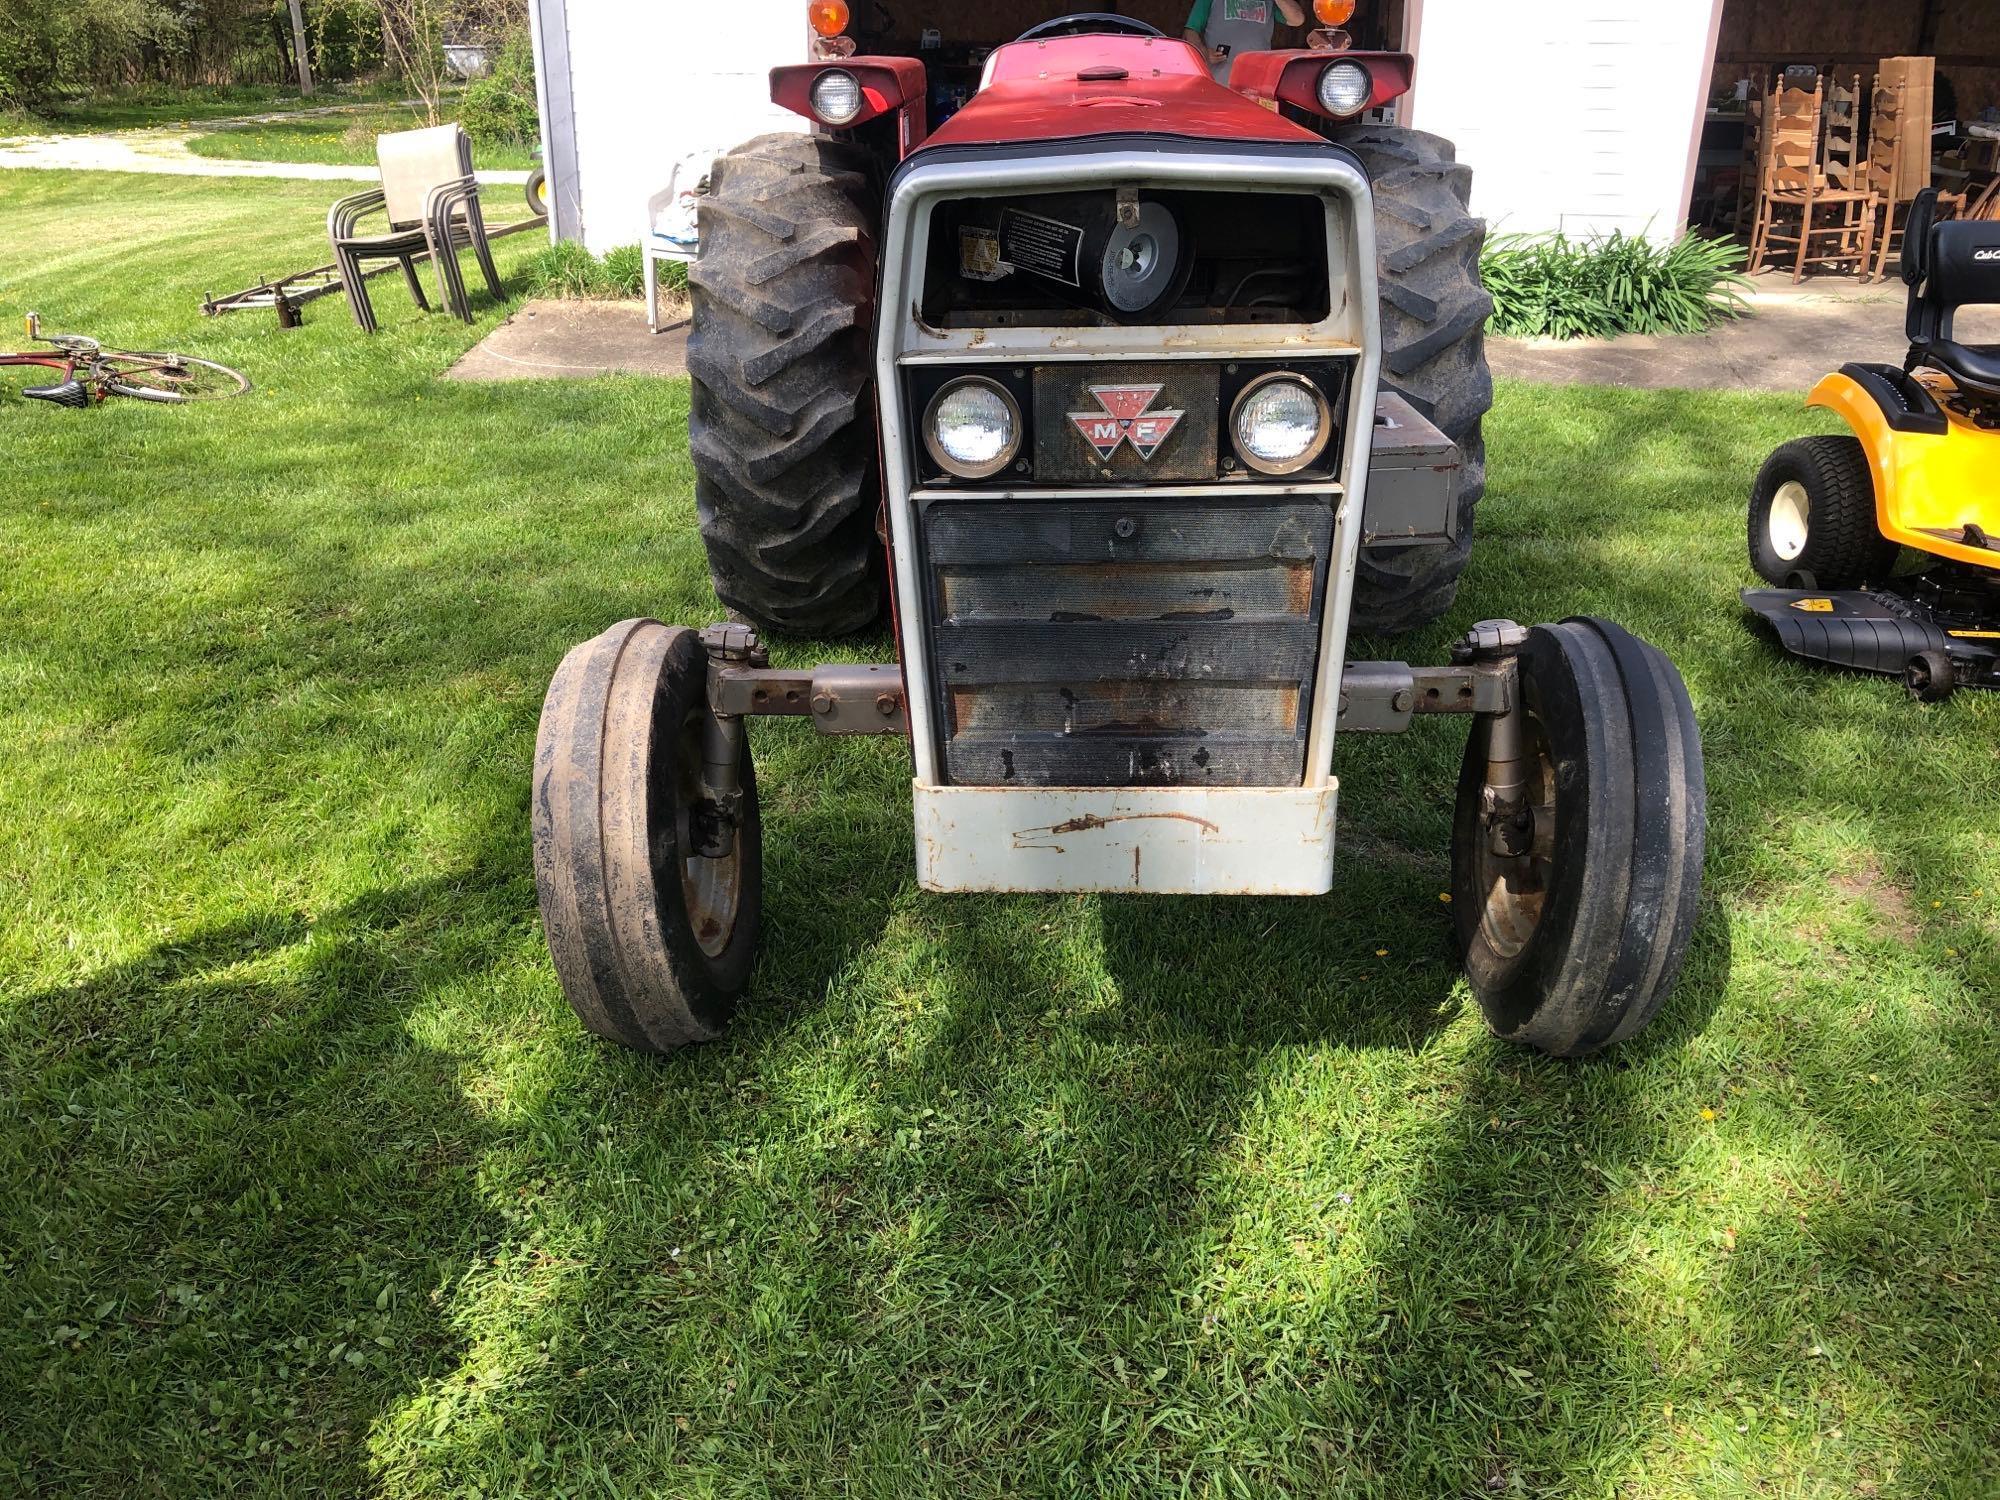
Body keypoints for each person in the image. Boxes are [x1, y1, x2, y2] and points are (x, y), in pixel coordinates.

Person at [1182, 0, 1307, 86]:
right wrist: (1203, 53)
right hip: (1218, 81)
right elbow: (1191, 30)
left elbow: (1297, 19)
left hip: (1257, 84)